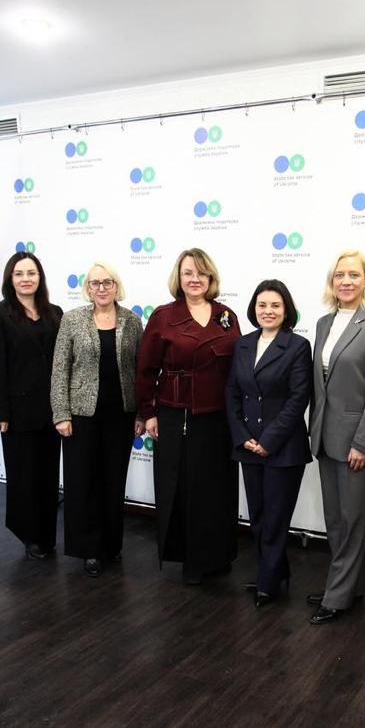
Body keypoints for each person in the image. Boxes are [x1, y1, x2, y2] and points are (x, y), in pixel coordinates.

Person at [136, 248, 242, 584]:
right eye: (188, 273)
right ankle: (192, 561)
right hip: (177, 415)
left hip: (220, 416)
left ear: (211, 277)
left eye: (201, 273)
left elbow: (238, 366)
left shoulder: (226, 315)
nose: (195, 279)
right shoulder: (163, 317)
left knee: (217, 488)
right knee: (186, 490)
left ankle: (218, 555)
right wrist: (148, 412)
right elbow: (145, 370)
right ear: (178, 278)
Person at [306, 251, 365, 624]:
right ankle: (345, 584)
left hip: (356, 440)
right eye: (339, 274)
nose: (346, 280)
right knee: (335, 519)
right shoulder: (324, 323)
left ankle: (338, 596)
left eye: (354, 275)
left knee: (353, 519)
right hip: (325, 437)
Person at [51, 261, 144, 577]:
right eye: (95, 283)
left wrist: (141, 412)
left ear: (116, 286)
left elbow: (141, 370)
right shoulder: (72, 319)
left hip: (121, 415)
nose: (101, 288)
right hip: (81, 416)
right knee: (83, 482)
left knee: (113, 481)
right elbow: (60, 369)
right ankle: (89, 549)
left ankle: (111, 544)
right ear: (87, 288)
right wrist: (61, 414)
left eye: (107, 282)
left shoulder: (132, 321)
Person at [225, 279, 312, 607]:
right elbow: (232, 392)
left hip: (283, 448)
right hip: (248, 446)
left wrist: (268, 440)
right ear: (254, 309)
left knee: (275, 518)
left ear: (286, 310)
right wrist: (243, 436)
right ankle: (275, 571)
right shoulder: (243, 344)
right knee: (259, 516)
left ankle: (268, 581)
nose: (268, 311)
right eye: (262, 305)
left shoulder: (298, 346)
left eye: (275, 305)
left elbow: (298, 399)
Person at [0, 251, 63, 560]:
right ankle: (29, 535)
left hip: (52, 410)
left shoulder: (55, 312)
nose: (26, 279)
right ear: (10, 279)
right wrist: (0, 412)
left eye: (31, 273)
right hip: (17, 413)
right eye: (19, 274)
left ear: (40, 278)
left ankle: (46, 534)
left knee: (47, 475)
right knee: (23, 476)